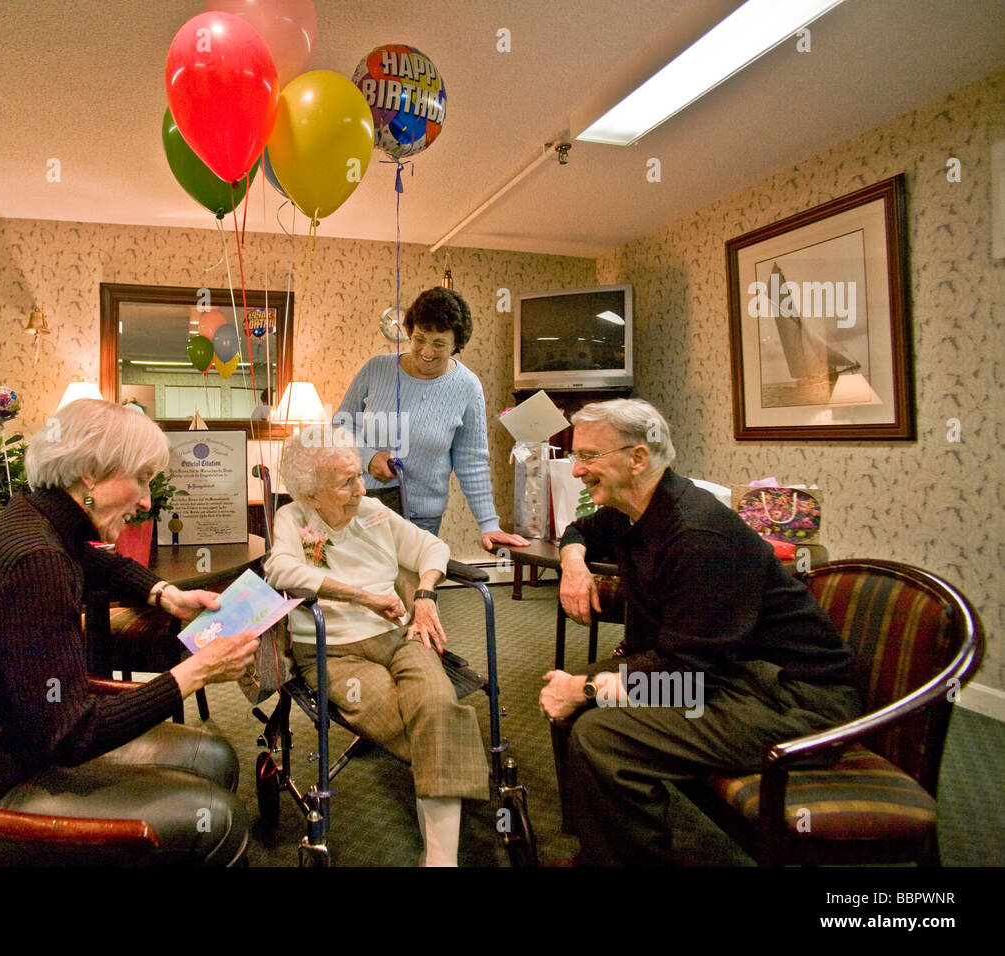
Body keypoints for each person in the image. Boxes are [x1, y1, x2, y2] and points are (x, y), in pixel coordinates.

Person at [0, 399, 259, 865]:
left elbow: (90, 558)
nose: (145, 500)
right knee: (216, 817)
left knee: (213, 757)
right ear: (90, 474)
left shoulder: (33, 522)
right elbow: (74, 735)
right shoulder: (35, 561)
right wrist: (194, 673)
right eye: (140, 480)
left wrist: (163, 594)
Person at [539, 398, 860, 866]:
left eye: (588, 456)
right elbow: (579, 530)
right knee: (576, 700)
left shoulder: (697, 535)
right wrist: (573, 565)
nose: (575, 471)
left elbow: (685, 672)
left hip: (793, 700)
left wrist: (587, 689)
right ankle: (600, 847)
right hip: (727, 673)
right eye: (576, 456)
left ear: (637, 458)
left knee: (601, 733)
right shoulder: (637, 508)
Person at [263, 425, 490, 866]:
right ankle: (459, 769)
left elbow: (433, 548)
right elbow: (281, 572)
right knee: (412, 719)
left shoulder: (373, 512)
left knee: (437, 705)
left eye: (358, 476)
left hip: (402, 636)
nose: (361, 489)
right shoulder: (293, 518)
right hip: (334, 650)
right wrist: (360, 595)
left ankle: (440, 859)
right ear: (311, 495)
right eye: (346, 482)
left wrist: (423, 595)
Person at [335, 286, 528, 551]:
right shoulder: (376, 369)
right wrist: (368, 458)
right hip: (363, 505)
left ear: (456, 345)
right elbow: (340, 426)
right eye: (419, 339)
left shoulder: (467, 386)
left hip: (421, 519)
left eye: (438, 344)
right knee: (363, 588)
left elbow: (471, 461)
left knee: (414, 589)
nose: (427, 351)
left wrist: (489, 524)